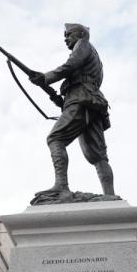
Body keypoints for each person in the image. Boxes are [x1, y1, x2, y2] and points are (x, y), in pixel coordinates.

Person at [28, 22, 115, 200]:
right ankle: (110, 196)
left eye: (69, 34)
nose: (66, 38)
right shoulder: (94, 58)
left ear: (81, 34)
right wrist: (58, 98)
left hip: (81, 99)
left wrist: (46, 77)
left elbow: (71, 65)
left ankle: (61, 186)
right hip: (90, 102)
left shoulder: (83, 45)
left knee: (55, 138)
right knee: (98, 156)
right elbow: (78, 79)